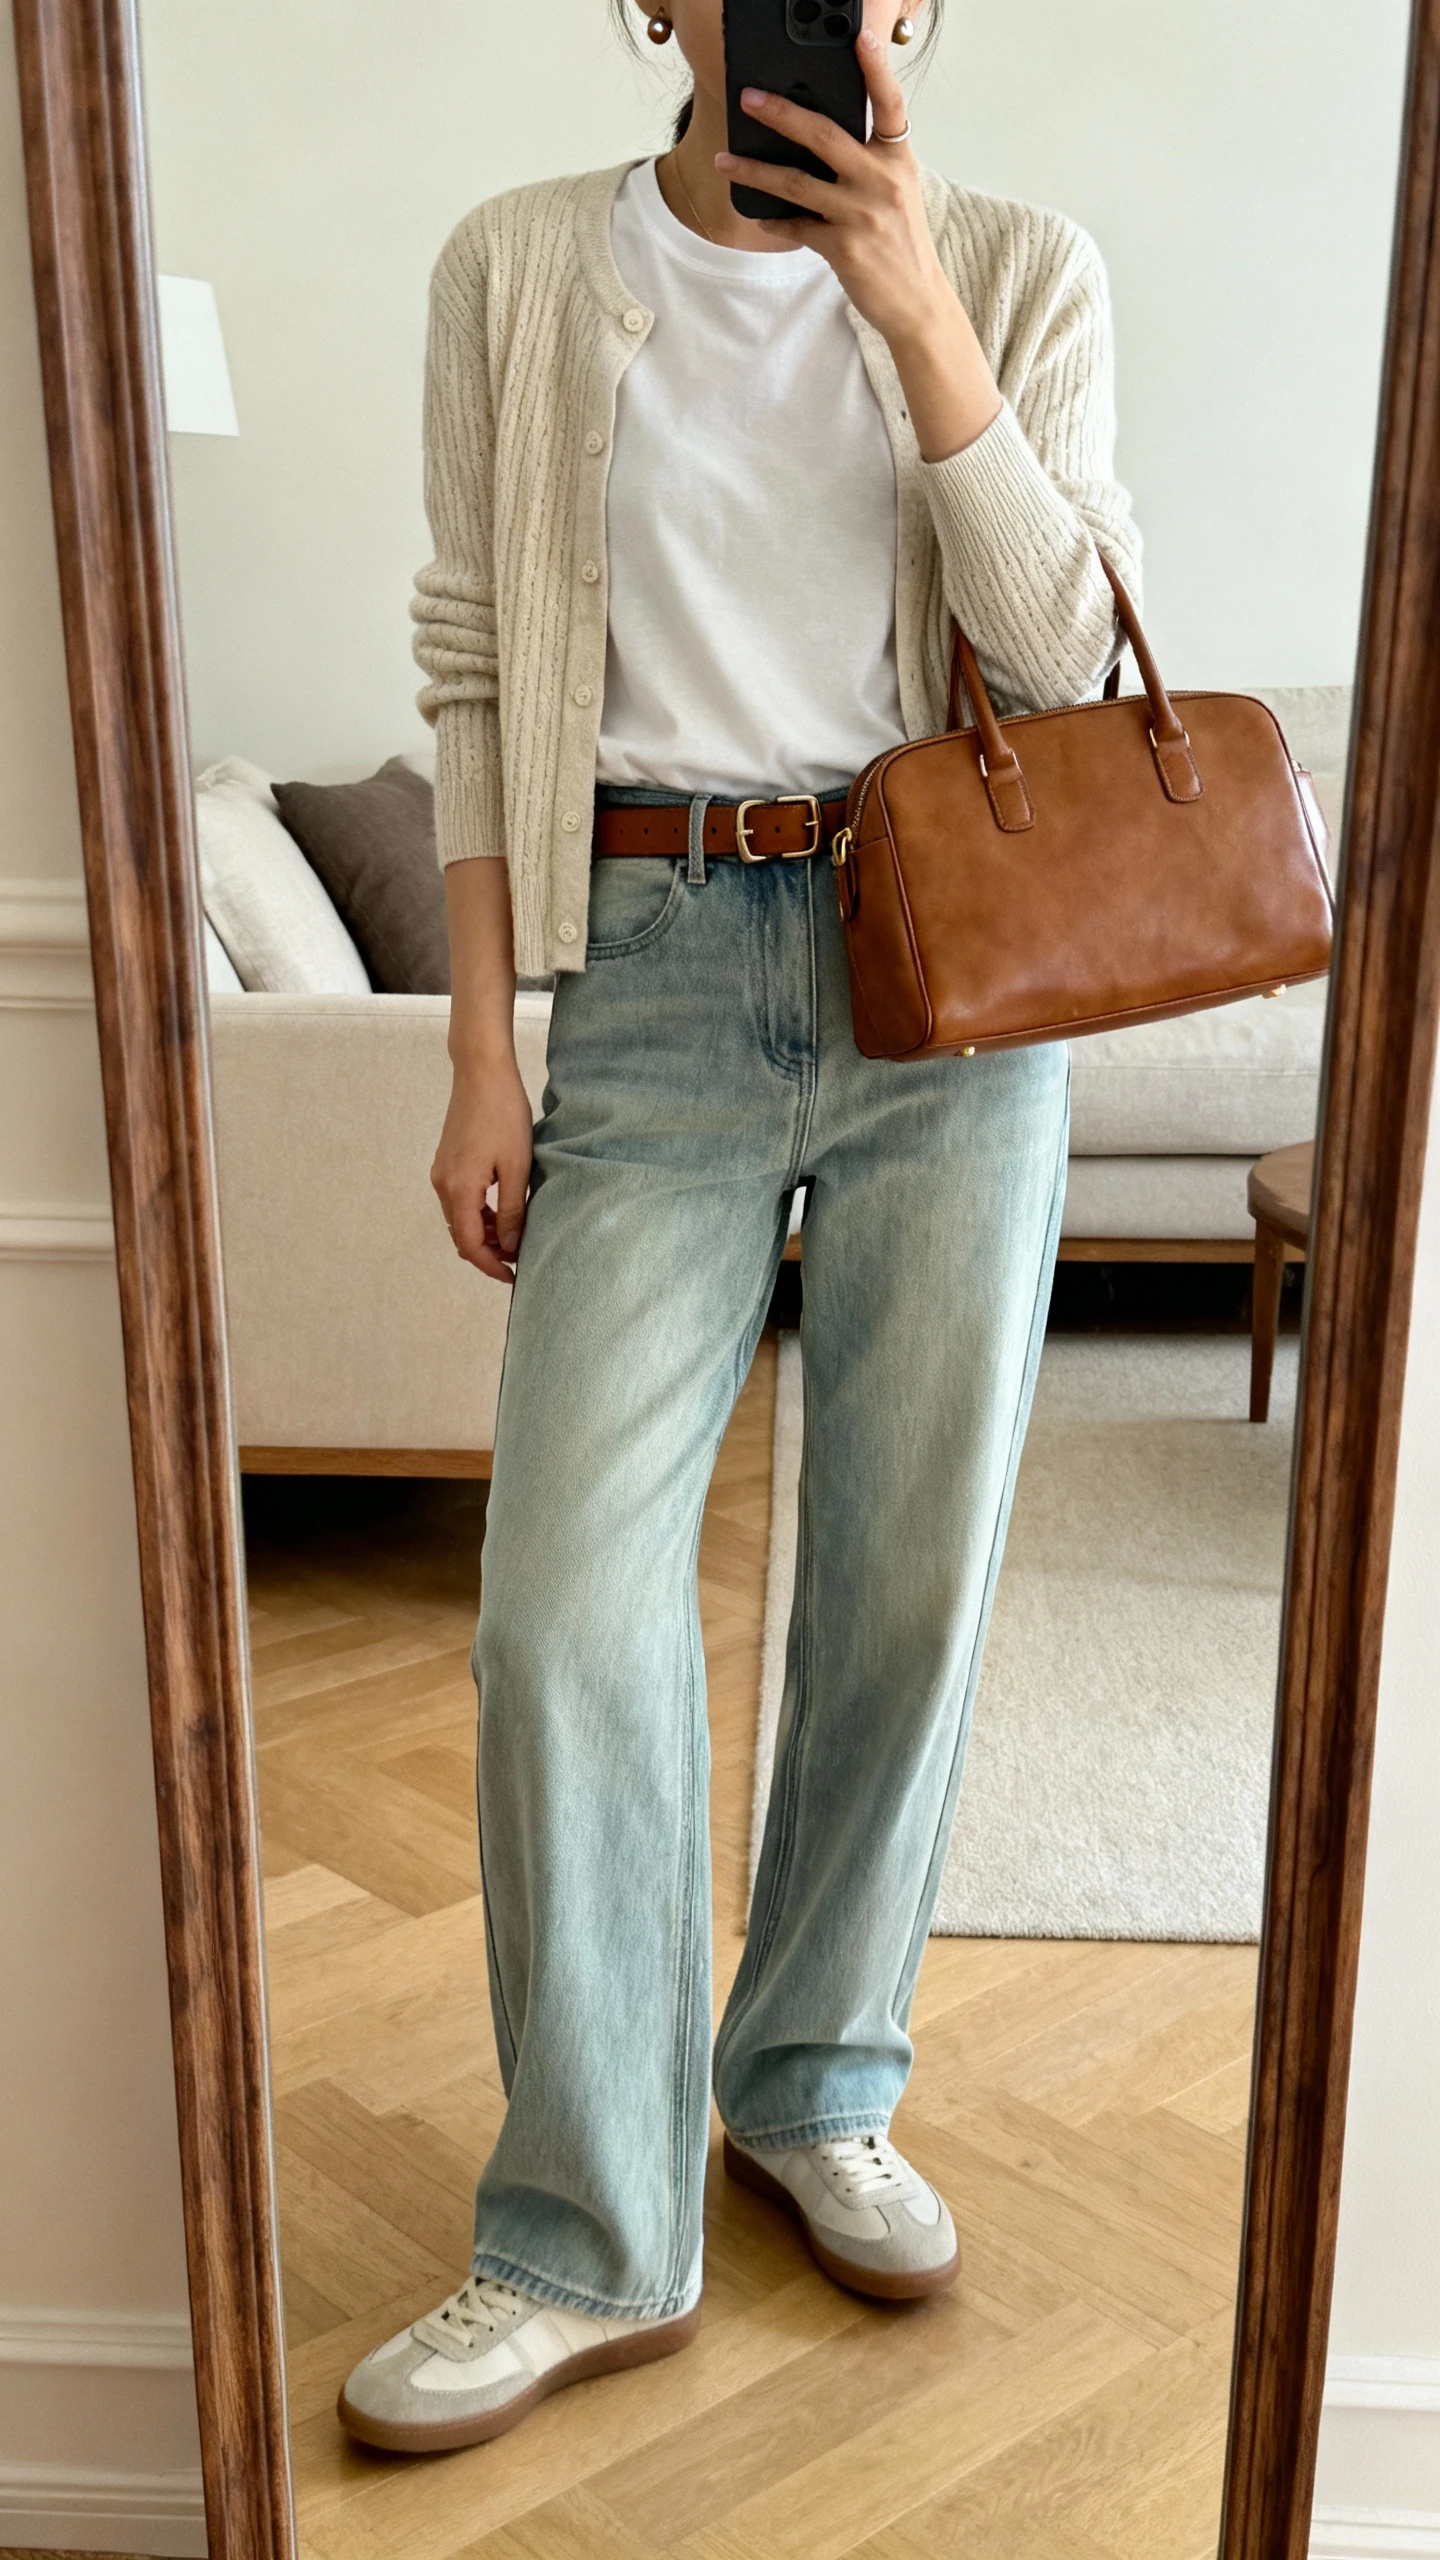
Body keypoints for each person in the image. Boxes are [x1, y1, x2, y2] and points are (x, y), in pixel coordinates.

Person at [339, 0, 1139, 2454]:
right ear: (660, 4)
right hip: (659, 973)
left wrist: (911, 313)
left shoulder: (1019, 262)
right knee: (563, 1598)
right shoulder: (512, 266)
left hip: (956, 985)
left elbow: (1058, 654)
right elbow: (476, 681)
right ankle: (585, 2223)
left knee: (905, 1568)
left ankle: (811, 2073)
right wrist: (486, 1041)